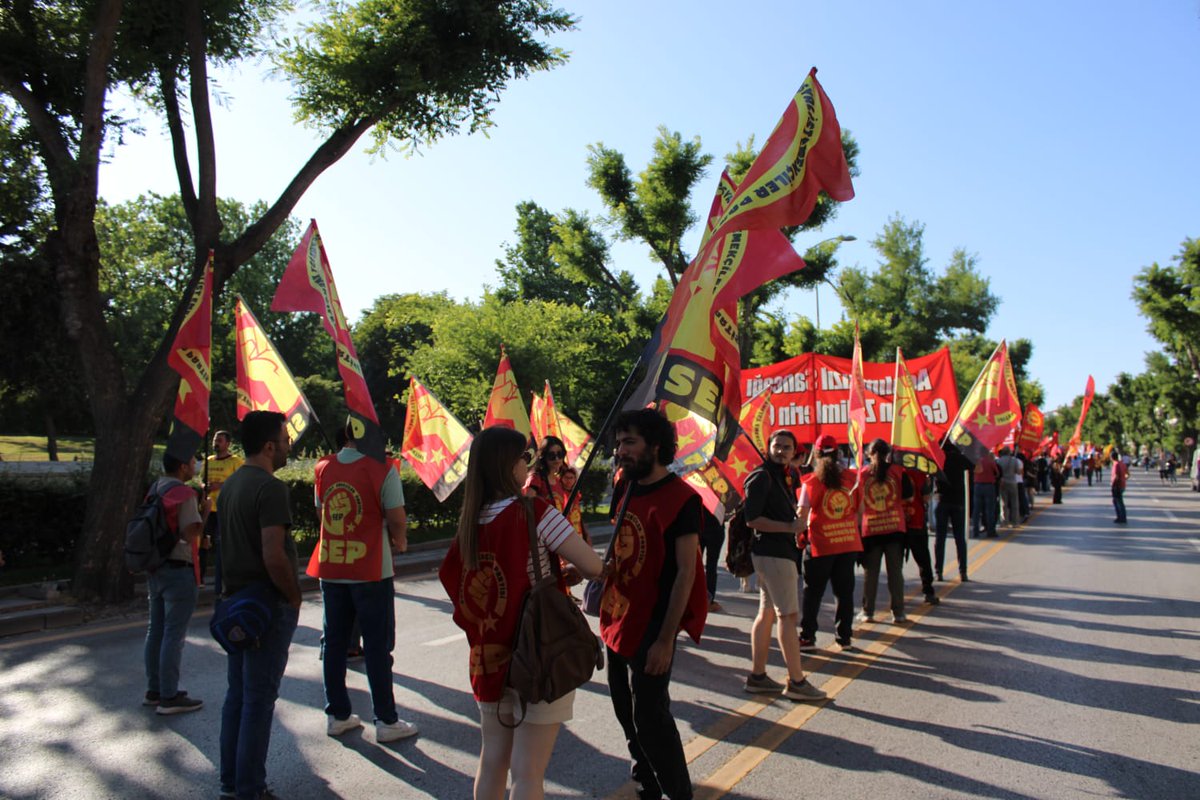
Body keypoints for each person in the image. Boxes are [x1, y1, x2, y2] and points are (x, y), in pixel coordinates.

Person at [439, 427, 603, 800]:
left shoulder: (469, 523)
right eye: (524, 458)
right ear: (507, 465)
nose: (528, 466)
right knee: (528, 772)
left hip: (488, 656)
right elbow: (593, 566)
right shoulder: (536, 511)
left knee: (493, 759)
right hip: (539, 651)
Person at [599, 408, 710, 800]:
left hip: (652, 623)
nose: (620, 451)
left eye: (629, 442)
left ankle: (679, 793)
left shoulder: (682, 499)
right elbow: (622, 547)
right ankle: (645, 777)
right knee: (623, 708)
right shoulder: (623, 485)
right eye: (618, 443)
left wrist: (665, 640)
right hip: (617, 614)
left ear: (655, 446)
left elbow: (686, 573)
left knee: (651, 717)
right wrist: (596, 568)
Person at [310, 419, 419, 743]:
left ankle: (337, 715)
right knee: (377, 646)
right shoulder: (383, 468)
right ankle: (386, 720)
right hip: (371, 568)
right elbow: (397, 517)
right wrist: (400, 541)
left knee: (334, 643)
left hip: (332, 565)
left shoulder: (322, 467)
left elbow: (322, 513)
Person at [217, 411, 302, 800]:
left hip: (236, 601)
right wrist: (293, 593)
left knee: (238, 694)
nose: (287, 446)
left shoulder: (232, 484)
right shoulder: (270, 489)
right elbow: (274, 554)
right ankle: (251, 788)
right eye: (284, 439)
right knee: (259, 699)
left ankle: (232, 782)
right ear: (269, 446)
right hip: (265, 604)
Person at [743, 429, 826, 701]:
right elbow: (752, 519)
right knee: (788, 616)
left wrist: (796, 520)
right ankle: (797, 681)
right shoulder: (761, 477)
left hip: (777, 554)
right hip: (774, 554)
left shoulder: (785, 476)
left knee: (767, 613)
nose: (781, 450)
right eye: (777, 446)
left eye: (787, 447)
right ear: (768, 447)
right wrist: (788, 527)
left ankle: (758, 676)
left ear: (794, 452)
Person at [143, 452, 208, 715]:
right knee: (174, 635)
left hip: (155, 567)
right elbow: (190, 532)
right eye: (193, 462)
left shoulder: (155, 488)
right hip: (179, 568)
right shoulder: (184, 494)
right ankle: (170, 696)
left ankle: (154, 689)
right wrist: (204, 510)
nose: (195, 466)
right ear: (183, 467)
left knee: (155, 630)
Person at [797, 434, 862, 651]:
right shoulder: (853, 478)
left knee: (813, 592)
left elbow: (802, 515)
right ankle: (844, 637)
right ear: (838, 453)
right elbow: (860, 512)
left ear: (815, 454)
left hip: (820, 544)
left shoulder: (811, 482)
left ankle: (808, 636)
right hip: (847, 543)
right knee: (844, 593)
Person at [856, 439, 913, 625]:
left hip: (871, 531)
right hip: (895, 528)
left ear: (868, 454)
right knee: (895, 573)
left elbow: (857, 504)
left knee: (870, 574)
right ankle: (898, 613)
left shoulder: (862, 475)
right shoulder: (898, 472)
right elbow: (909, 496)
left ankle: (867, 612)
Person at [525, 435, 589, 544]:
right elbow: (527, 508)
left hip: (559, 538)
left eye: (560, 454)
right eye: (551, 455)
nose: (557, 459)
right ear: (543, 456)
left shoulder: (558, 480)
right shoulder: (536, 478)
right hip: (544, 540)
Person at [204, 430, 243, 593]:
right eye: (214, 440)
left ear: (227, 443)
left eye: (219, 440)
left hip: (225, 510)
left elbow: (240, 484)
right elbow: (202, 480)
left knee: (222, 546)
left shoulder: (236, 462)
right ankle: (200, 578)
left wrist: (220, 486)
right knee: (203, 545)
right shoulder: (209, 461)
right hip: (208, 509)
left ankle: (221, 584)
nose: (216, 443)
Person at [902, 466, 939, 605]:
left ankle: (897, 595)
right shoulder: (920, 473)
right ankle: (928, 591)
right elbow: (925, 498)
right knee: (923, 558)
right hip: (916, 521)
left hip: (897, 521)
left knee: (895, 562)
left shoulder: (894, 471)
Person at [934, 443, 970, 582]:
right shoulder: (960, 457)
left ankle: (939, 572)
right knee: (960, 538)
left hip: (942, 500)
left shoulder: (938, 458)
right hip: (958, 502)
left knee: (940, 538)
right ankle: (963, 572)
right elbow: (978, 468)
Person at [699, 505, 725, 613]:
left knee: (695, 565)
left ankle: (694, 597)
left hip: (700, 527)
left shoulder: (699, 491)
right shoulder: (721, 492)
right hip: (715, 528)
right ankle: (709, 599)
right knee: (711, 566)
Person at [971, 450, 1000, 537]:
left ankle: (975, 531)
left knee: (976, 510)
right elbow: (997, 473)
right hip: (989, 486)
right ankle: (990, 531)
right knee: (989, 510)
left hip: (977, 486)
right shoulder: (990, 461)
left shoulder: (976, 461)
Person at [995, 447, 1022, 529]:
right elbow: (1018, 472)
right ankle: (1015, 522)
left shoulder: (999, 461)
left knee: (1003, 503)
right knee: (1014, 503)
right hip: (1013, 482)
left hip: (1003, 483)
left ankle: (1004, 521)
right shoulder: (1014, 460)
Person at [1111, 449, 1129, 524]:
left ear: (1112, 457)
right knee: (1119, 501)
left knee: (1118, 502)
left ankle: (1120, 517)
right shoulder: (1122, 463)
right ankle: (1122, 517)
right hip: (1122, 485)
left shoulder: (1116, 464)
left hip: (1117, 486)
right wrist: (1124, 479)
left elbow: (1116, 476)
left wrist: (1113, 485)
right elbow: (1128, 474)